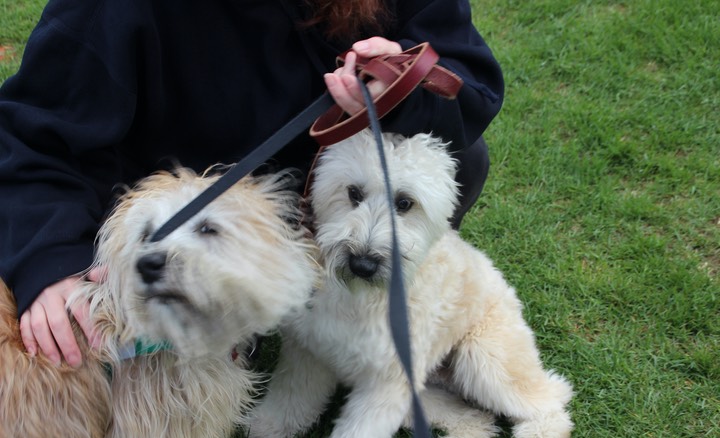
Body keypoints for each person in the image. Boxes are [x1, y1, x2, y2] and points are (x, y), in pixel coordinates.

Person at [0, 0, 504, 369]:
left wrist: (405, 87)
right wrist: (51, 259)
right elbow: (32, 133)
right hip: (164, 215)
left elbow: (471, 80)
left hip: (316, 202)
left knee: (465, 157)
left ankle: (332, 304)